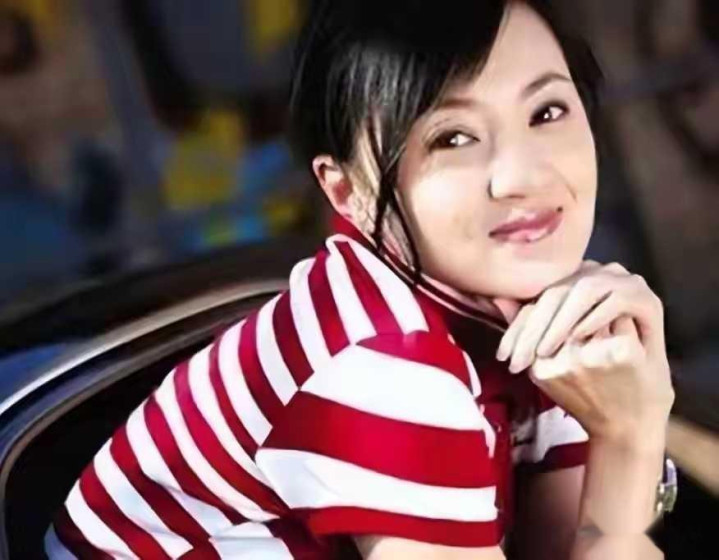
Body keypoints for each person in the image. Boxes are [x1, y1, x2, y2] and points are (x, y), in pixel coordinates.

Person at [45, 1, 675, 558]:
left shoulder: (530, 312)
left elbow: (576, 544)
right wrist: (630, 437)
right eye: (453, 138)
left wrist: (628, 430)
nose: (522, 176)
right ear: (346, 190)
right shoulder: (381, 361)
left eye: (547, 111)